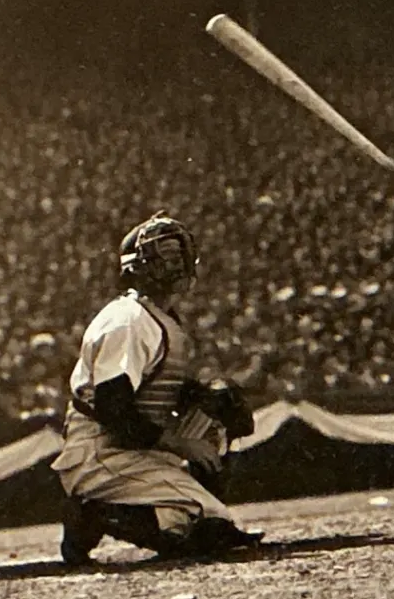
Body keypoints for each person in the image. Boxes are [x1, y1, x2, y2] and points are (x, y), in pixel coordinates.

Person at [51, 214, 262, 563]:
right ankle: (91, 511)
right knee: (203, 526)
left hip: (132, 444)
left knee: (220, 403)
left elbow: (153, 391)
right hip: (101, 448)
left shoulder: (158, 316)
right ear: (137, 266)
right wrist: (181, 444)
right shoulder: (127, 320)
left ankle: (172, 502)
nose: (175, 263)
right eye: (165, 255)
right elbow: (112, 407)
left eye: (178, 254)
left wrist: (207, 396)